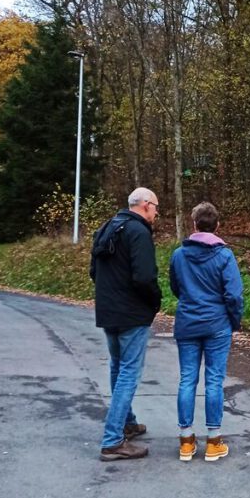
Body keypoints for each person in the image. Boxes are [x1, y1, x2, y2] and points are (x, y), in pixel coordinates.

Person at [91, 187, 162, 461]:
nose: (156, 212)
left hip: (108, 311)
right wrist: (155, 302)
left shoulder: (108, 227)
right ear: (145, 205)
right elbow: (145, 277)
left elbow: (94, 271)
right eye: (155, 207)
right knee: (128, 373)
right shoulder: (138, 232)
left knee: (118, 367)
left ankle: (127, 423)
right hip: (131, 314)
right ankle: (112, 440)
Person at [169, 202, 244, 463]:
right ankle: (214, 441)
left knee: (187, 379)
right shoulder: (225, 256)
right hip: (216, 325)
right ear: (217, 225)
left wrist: (191, 300)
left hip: (188, 323)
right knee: (214, 380)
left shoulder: (179, 255)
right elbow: (233, 294)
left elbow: (175, 288)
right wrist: (234, 321)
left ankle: (186, 441)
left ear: (194, 224)